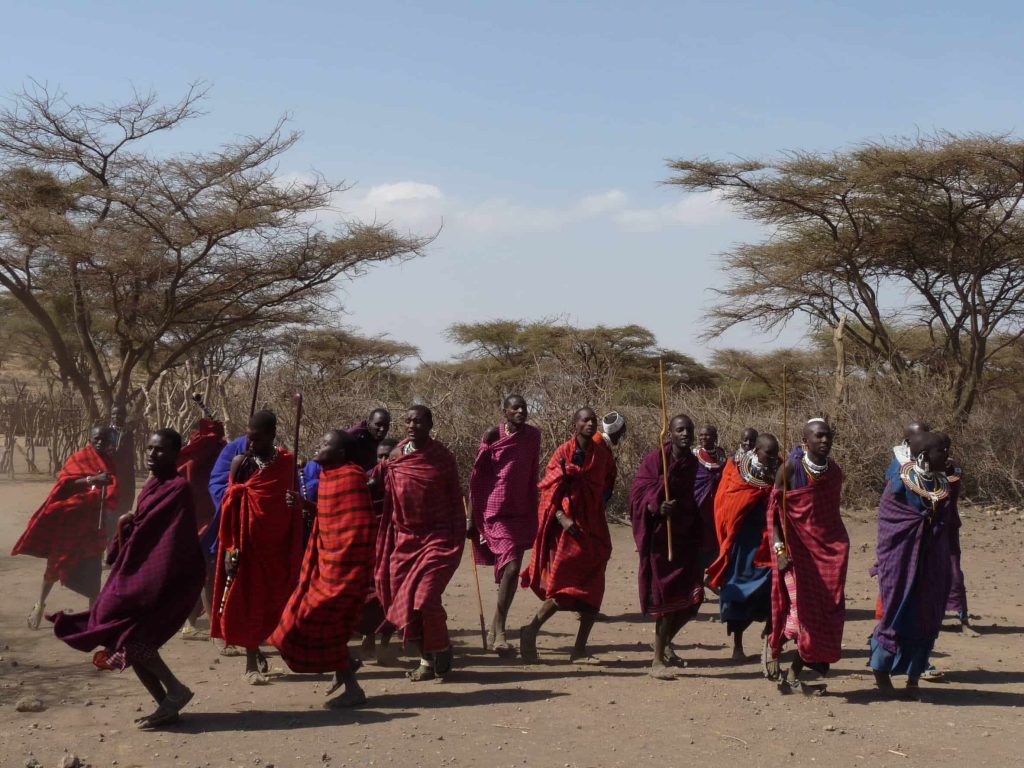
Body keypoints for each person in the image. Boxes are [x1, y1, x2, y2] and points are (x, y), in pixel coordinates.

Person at [50, 429, 205, 729]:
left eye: (160, 450)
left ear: (175, 454)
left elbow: (172, 540)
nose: (151, 454)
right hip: (135, 566)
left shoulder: (178, 489)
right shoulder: (151, 485)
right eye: (149, 448)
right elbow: (143, 525)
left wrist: (149, 580)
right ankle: (166, 702)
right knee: (126, 637)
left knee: (125, 630)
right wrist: (126, 523)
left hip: (158, 575)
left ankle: (175, 690)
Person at [270, 430, 376, 708]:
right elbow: (329, 515)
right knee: (309, 623)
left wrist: (345, 568)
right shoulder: (328, 478)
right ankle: (346, 668)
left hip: (345, 570)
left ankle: (352, 684)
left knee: (314, 620)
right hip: (323, 567)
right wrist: (305, 506)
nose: (318, 446)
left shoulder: (352, 478)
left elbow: (357, 527)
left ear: (340, 453)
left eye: (324, 443)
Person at [210, 411, 304, 684]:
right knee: (248, 601)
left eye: (257, 439)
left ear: (272, 435)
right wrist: (229, 548)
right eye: (249, 438)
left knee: (280, 599)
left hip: (278, 544)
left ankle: (284, 652)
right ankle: (251, 662)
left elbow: (295, 507)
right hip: (246, 546)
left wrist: (294, 502)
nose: (251, 444)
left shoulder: (287, 462)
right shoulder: (241, 463)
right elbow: (230, 508)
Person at [373, 405, 465, 681]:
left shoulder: (441, 457)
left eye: (419, 421)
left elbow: (454, 498)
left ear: (430, 424)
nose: (413, 425)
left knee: (425, 597)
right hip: (405, 539)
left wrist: (463, 527)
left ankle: (443, 645)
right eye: (409, 421)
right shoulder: (397, 455)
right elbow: (376, 482)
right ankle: (426, 660)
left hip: (437, 538)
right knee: (409, 602)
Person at [520, 407, 617, 665]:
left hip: (593, 528)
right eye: (585, 420)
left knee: (594, 589)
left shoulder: (602, 457)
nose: (590, 423)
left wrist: (593, 507)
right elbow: (549, 490)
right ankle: (530, 631)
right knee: (563, 587)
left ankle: (580, 649)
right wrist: (562, 518)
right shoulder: (563, 452)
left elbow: (606, 486)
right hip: (566, 530)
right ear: (575, 424)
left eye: (593, 420)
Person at [870, 431, 959, 698]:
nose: (947, 456)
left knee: (927, 615)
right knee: (896, 613)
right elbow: (891, 523)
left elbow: (946, 522)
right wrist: (920, 523)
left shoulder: (945, 485)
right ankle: (882, 671)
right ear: (922, 456)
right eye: (941, 452)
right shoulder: (899, 484)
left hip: (932, 560)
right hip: (900, 558)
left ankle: (914, 677)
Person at [766, 418, 849, 694]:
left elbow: (830, 517)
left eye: (828, 436)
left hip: (829, 555)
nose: (824, 441)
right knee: (801, 613)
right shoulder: (789, 469)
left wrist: (838, 548)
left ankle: (792, 673)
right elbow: (774, 516)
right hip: (797, 554)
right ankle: (774, 646)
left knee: (823, 615)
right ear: (805, 441)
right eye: (818, 437)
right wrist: (779, 551)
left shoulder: (834, 473)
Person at [14, 427, 120, 629]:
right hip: (72, 521)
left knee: (94, 571)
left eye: (104, 439)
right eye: (96, 438)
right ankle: (40, 604)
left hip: (94, 525)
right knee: (55, 564)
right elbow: (66, 484)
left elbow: (114, 490)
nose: (100, 442)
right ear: (90, 439)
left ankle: (92, 619)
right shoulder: (80, 458)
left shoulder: (109, 461)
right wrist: (92, 480)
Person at [629, 414, 705, 678]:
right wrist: (656, 505)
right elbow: (639, 493)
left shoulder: (693, 463)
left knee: (694, 600)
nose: (685, 434)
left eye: (689, 430)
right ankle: (657, 661)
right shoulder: (655, 460)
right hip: (661, 538)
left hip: (684, 535)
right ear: (669, 434)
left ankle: (664, 643)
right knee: (665, 599)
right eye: (680, 430)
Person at [468, 395, 542, 655]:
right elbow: (477, 477)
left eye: (525, 407)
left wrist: (534, 507)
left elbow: (533, 472)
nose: (521, 411)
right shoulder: (492, 435)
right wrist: (471, 518)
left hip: (521, 509)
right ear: (505, 412)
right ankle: (500, 631)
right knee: (511, 569)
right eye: (516, 408)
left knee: (513, 570)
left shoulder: (533, 436)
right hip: (495, 511)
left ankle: (496, 628)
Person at [707, 434, 780, 661]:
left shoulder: (779, 471)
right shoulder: (737, 472)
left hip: (768, 543)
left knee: (774, 590)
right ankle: (737, 647)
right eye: (768, 453)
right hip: (742, 544)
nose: (773, 457)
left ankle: (771, 639)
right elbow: (726, 504)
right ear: (757, 450)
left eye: (775, 452)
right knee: (736, 594)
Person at [176, 415, 227, 637]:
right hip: (193, 521)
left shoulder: (223, 453)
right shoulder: (190, 458)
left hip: (215, 518)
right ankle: (192, 622)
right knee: (199, 572)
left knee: (210, 572)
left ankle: (204, 620)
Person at [694, 425, 728, 571]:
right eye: (701, 435)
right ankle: (696, 583)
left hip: (716, 507)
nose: (703, 438)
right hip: (697, 506)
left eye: (707, 435)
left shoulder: (722, 456)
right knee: (698, 541)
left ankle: (712, 574)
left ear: (715, 437)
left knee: (714, 540)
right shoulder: (693, 455)